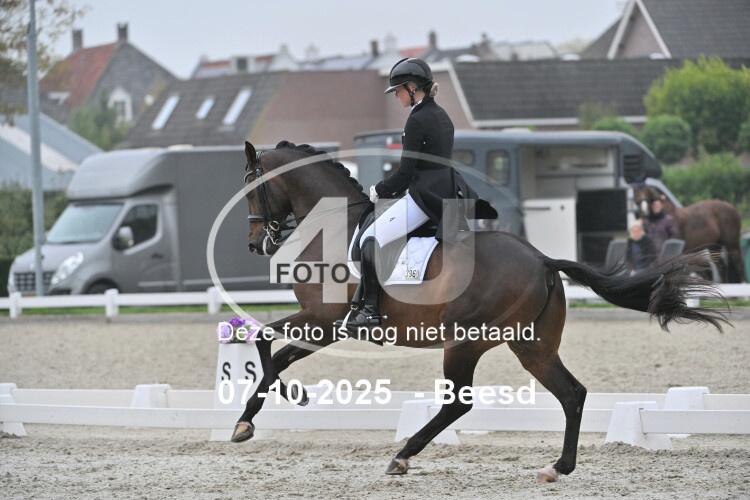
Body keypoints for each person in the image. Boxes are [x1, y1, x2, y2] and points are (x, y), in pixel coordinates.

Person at [335, 57, 497, 331]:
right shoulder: (442, 115)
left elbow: (406, 172)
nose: (396, 96)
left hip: (424, 196)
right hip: (448, 190)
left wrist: (379, 190)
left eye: (398, 90)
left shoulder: (417, 120)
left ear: (412, 88)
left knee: (371, 238)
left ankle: (370, 312)